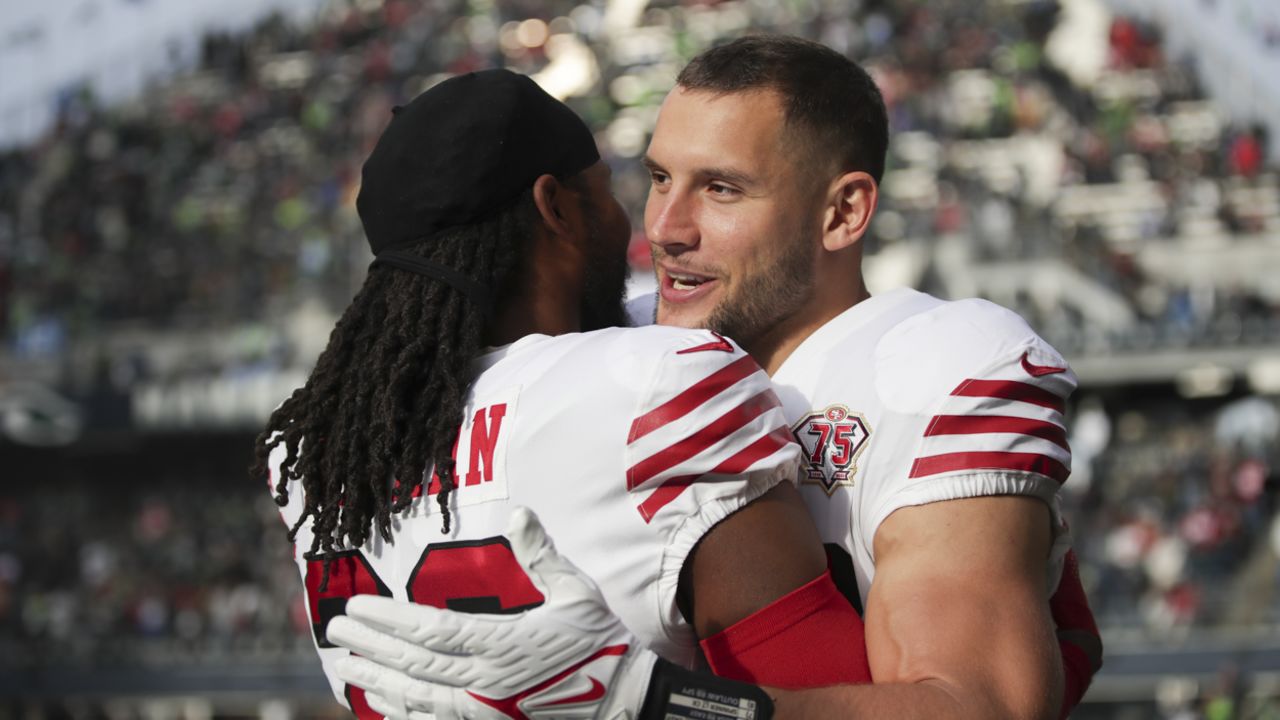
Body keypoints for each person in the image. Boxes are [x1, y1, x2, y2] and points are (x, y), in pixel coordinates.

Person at [331, 36, 1103, 720]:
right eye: (661, 178)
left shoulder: (933, 362)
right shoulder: (617, 349)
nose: (667, 227)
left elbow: (982, 709)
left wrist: (661, 706)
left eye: (721, 188)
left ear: (843, 212)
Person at [251, 68, 873, 719]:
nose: (644, 223)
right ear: (556, 207)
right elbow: (825, 688)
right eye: (605, 192)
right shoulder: (657, 383)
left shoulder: (315, 455)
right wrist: (654, 703)